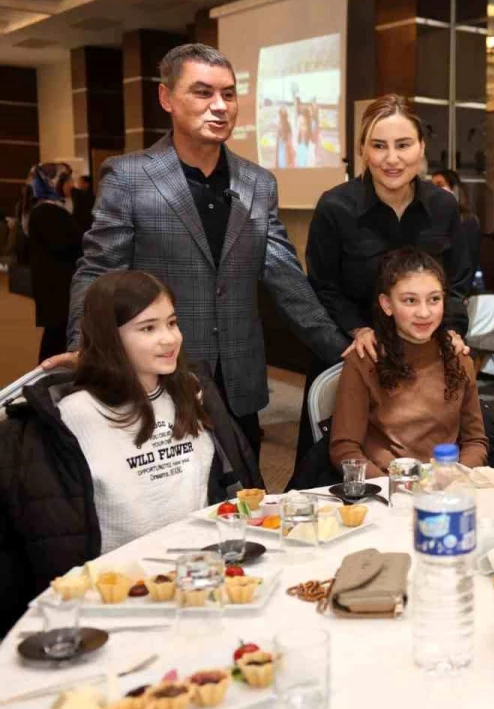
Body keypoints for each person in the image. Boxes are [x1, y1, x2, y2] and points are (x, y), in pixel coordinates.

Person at [49, 43, 351, 459]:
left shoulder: (258, 183)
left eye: (228, 94)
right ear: (166, 97)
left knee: (245, 489)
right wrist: (81, 347)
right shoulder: (129, 176)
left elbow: (286, 278)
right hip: (159, 376)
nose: (220, 106)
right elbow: (99, 270)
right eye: (202, 92)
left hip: (238, 382)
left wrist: (342, 350)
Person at [0, 270, 262, 634]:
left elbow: (236, 493)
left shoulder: (192, 392)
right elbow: (54, 542)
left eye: (172, 322)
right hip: (116, 601)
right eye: (148, 328)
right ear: (110, 338)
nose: (169, 338)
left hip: (202, 581)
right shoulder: (70, 419)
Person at [298, 96, 473, 472]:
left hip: (426, 357)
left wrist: (452, 329)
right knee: (345, 465)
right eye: (379, 146)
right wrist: (357, 329)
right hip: (357, 354)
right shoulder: (335, 207)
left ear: (421, 147)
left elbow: (457, 282)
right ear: (363, 150)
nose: (392, 159)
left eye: (403, 145)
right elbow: (322, 286)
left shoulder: (443, 207)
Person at [329, 248, 487, 476]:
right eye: (410, 301)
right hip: (384, 484)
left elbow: (475, 441)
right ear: (387, 304)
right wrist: (393, 486)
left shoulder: (457, 356)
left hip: (447, 482)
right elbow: (345, 449)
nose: (424, 313)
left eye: (434, 299)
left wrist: (457, 476)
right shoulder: (366, 359)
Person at [26, 162, 82, 361]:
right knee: (56, 338)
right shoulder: (46, 211)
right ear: (53, 183)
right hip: (57, 287)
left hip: (59, 285)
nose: (72, 185)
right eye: (68, 181)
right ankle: (47, 374)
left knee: (58, 336)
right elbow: (67, 245)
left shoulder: (53, 209)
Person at [430, 167, 482, 280]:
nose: (434, 191)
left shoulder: (467, 220)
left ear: (454, 189)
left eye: (439, 185)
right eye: (432, 187)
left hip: (457, 284)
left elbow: (470, 259)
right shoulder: (431, 219)